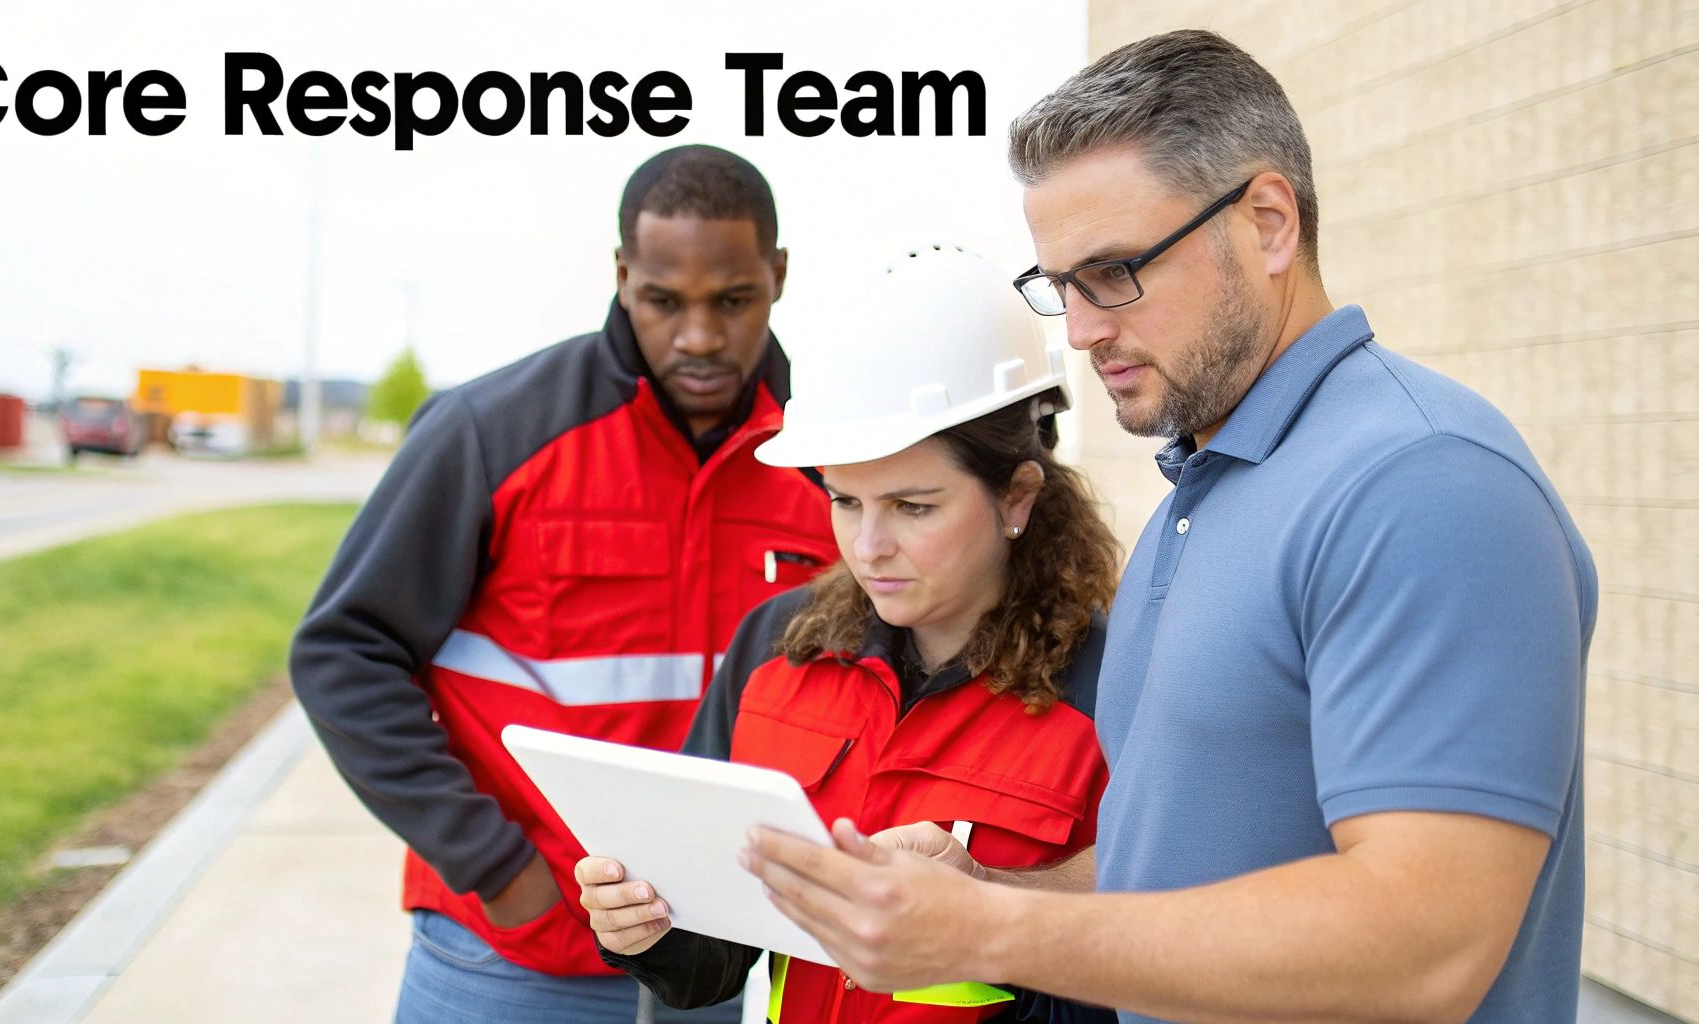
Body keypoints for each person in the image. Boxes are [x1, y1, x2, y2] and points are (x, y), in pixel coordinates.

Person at [736, 30, 1597, 1024]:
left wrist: (986, 934)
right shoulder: (1207, 491)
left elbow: (1427, 940)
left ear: (1267, 223)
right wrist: (987, 890)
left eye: (1112, 272)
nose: (1081, 328)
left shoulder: (1423, 485)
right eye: (1057, 285)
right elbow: (1181, 865)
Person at [289, 145, 838, 1024]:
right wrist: (497, 870)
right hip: (511, 958)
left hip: (722, 963)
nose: (699, 336)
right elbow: (344, 652)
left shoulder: (834, 457)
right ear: (623, 277)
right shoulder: (490, 432)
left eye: (733, 301)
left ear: (776, 275)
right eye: (664, 301)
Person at [577, 245, 1126, 1023]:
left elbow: (1143, 970)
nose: (868, 547)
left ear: (1017, 496)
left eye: (912, 507)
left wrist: (991, 912)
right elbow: (711, 961)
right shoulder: (774, 647)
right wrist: (644, 929)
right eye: (844, 501)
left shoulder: (1114, 687)